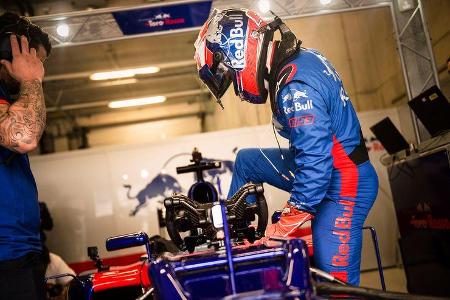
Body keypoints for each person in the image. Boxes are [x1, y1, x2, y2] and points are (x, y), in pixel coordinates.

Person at [194, 9, 378, 285]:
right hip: (329, 167)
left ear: (238, 52)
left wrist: (280, 229)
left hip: (343, 185)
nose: (235, 86)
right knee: (245, 162)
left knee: (336, 288)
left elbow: (316, 169)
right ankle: (237, 237)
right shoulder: (301, 60)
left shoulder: (295, 86)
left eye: (230, 75)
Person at [0, 12, 51, 300]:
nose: (38, 71)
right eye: (34, 61)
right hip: (5, 258)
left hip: (21, 251)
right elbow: (25, 136)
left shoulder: (10, 100)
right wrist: (31, 80)